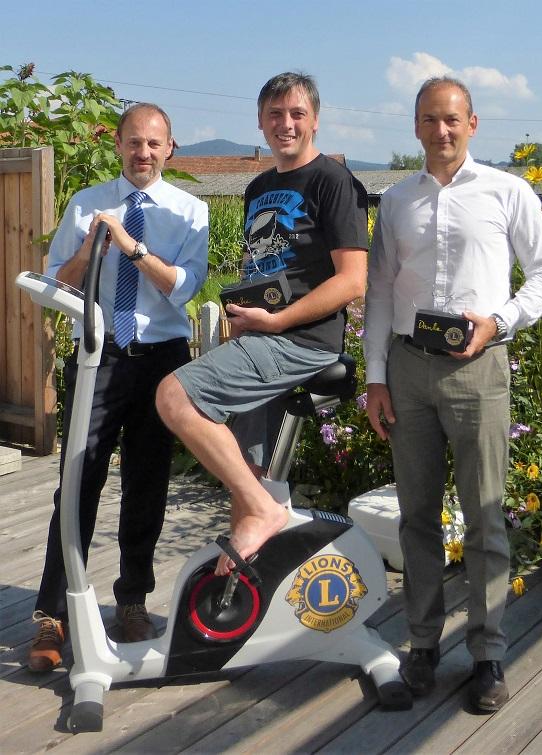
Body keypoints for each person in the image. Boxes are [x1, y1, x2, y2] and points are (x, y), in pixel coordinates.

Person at [364, 76, 542, 712]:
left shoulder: (508, 191)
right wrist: (375, 376)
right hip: (408, 369)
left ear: (472, 123)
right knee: (416, 515)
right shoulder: (397, 201)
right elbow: (380, 291)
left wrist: (499, 322)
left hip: (479, 367)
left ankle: (487, 653)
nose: (441, 130)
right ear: (415, 126)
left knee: (484, 513)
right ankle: (423, 644)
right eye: (429, 119)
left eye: (452, 119)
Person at [156, 71, 368, 575]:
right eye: (275, 114)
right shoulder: (258, 188)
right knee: (247, 466)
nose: (285, 123)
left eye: (297, 113)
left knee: (174, 396)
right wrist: (246, 314)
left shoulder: (334, 181)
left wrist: (277, 322)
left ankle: (264, 511)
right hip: (261, 336)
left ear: (315, 120)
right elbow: (264, 269)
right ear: (260, 121)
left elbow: (353, 281)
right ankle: (246, 591)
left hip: (303, 341)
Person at [28, 103, 209, 672]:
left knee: (147, 483)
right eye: (134, 142)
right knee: (78, 482)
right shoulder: (87, 204)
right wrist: (89, 251)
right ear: (118, 145)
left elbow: (184, 288)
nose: (143, 153)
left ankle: (132, 601)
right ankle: (53, 614)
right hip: (98, 356)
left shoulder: (191, 211)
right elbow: (54, 283)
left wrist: (131, 247)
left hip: (161, 360)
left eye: (154, 143)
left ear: (170, 148)